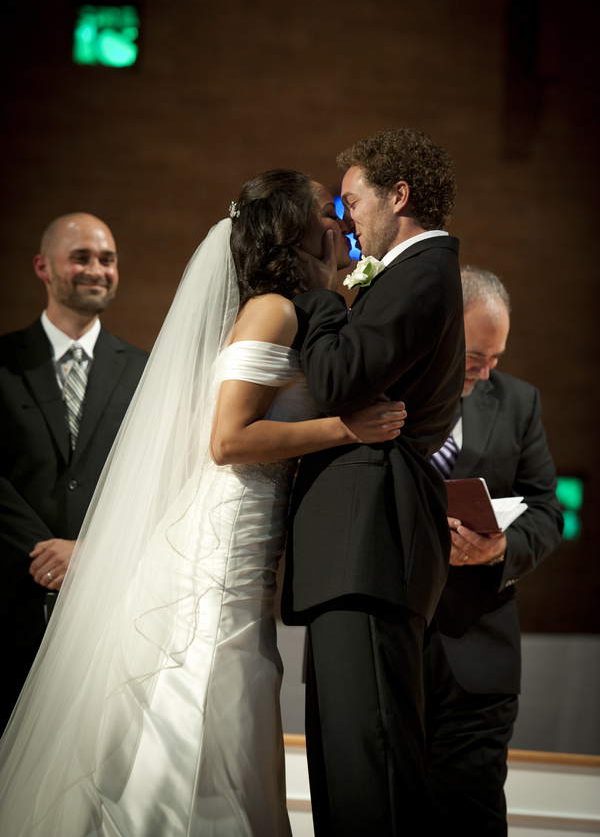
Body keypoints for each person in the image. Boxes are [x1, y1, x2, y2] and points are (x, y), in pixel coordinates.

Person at [0, 170, 406, 837]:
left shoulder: (292, 305)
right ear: (293, 227)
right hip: (224, 537)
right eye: (323, 207)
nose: (336, 216)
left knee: (235, 681)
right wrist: (344, 428)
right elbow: (226, 439)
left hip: (252, 532)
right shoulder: (271, 309)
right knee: (211, 673)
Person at [282, 128, 465, 836]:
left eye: (354, 202)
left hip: (372, 546)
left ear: (400, 196)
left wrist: (321, 298)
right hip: (356, 550)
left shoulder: (421, 272)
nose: (346, 219)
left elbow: (334, 378)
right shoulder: (408, 275)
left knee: (374, 772)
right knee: (343, 769)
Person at [425, 266, 563, 836]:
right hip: (387, 648)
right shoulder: (382, 396)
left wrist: (499, 548)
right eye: (475, 358)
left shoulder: (518, 403)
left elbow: (548, 511)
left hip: (478, 655)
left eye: (495, 361)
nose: (484, 376)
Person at [0, 213, 148, 730]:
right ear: (43, 266)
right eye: (80, 257)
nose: (96, 270)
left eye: (106, 259)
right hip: (9, 594)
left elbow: (148, 479)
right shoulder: (3, 360)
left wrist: (90, 553)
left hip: (104, 602)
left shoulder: (144, 371)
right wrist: (43, 552)